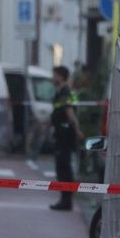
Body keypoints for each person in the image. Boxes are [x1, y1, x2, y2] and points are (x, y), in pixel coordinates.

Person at [48, 65, 84, 211]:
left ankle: (66, 200)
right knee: (63, 166)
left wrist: (77, 130)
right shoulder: (64, 91)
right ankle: (65, 199)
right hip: (62, 132)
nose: (52, 78)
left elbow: (69, 112)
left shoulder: (65, 92)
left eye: (54, 75)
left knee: (63, 167)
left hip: (64, 134)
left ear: (61, 76)